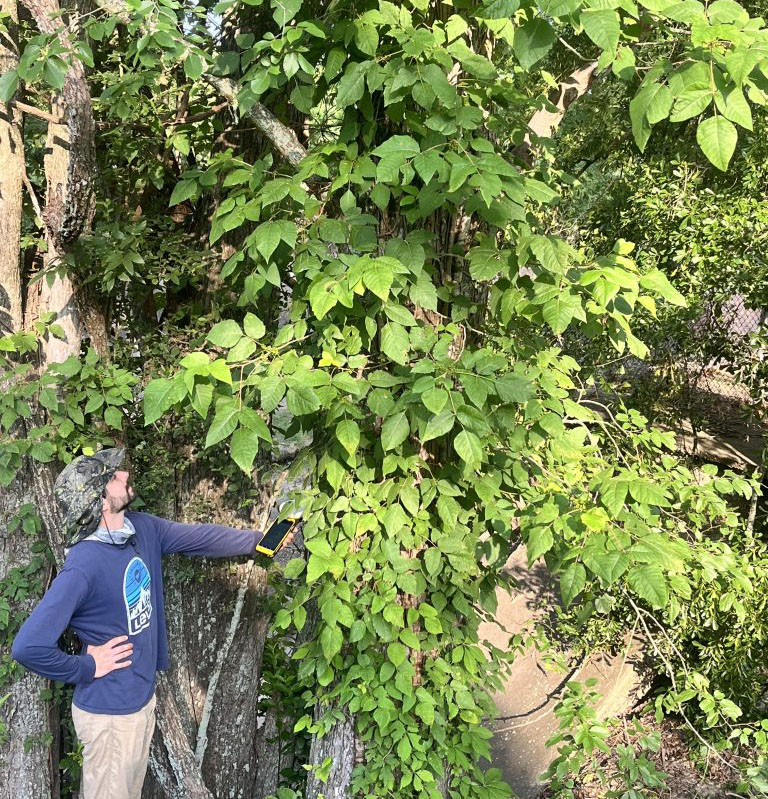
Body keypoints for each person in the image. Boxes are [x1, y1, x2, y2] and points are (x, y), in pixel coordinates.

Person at [12, 447, 294, 799]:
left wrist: (258, 542)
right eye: (113, 477)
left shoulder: (141, 529)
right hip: (108, 718)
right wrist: (87, 665)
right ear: (99, 502)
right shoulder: (83, 566)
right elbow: (28, 647)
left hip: (140, 703)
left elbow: (200, 537)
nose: (125, 475)